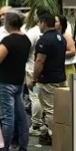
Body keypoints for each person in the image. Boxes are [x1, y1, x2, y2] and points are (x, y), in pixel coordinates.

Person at [0, 11, 31, 151]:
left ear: (8, 23)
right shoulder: (25, 40)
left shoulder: (8, 41)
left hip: (6, 82)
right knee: (21, 117)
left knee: (7, 119)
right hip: (18, 81)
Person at [28, 12, 68, 146]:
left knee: (50, 110)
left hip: (48, 80)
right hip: (60, 78)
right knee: (59, 109)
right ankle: (50, 134)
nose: (38, 26)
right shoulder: (60, 38)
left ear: (43, 23)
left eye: (39, 23)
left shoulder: (44, 40)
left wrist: (33, 79)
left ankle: (56, 136)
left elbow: (39, 61)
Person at [25, 7, 50, 136]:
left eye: (35, 13)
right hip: (45, 70)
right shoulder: (50, 33)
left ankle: (36, 124)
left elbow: (25, 49)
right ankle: (42, 123)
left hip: (32, 69)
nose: (33, 16)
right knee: (43, 98)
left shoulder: (33, 32)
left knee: (35, 97)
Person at [56, 15, 76, 82]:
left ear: (61, 25)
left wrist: (58, 54)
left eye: (56, 21)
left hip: (67, 68)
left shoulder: (66, 36)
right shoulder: (55, 36)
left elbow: (73, 51)